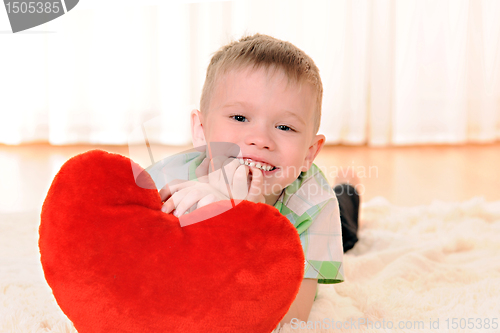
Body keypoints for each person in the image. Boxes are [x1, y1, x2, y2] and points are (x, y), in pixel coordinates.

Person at [157, 33, 360, 325]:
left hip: (315, 214)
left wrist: (246, 221)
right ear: (201, 131)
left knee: (346, 228)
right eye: (240, 118)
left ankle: (348, 190)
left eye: (284, 126)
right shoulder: (171, 183)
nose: (260, 139)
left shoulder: (313, 204)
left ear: (309, 153)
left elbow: (293, 315)